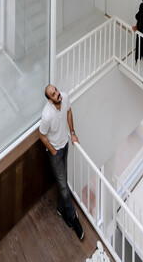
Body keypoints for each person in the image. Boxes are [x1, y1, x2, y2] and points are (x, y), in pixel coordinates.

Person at [39, 85, 84, 241]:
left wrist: (72, 133)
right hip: (56, 152)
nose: (58, 94)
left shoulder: (64, 98)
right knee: (64, 187)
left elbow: (69, 111)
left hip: (65, 144)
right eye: (54, 94)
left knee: (62, 181)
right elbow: (42, 135)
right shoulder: (47, 115)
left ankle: (60, 208)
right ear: (50, 100)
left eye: (56, 90)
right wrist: (53, 151)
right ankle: (73, 218)